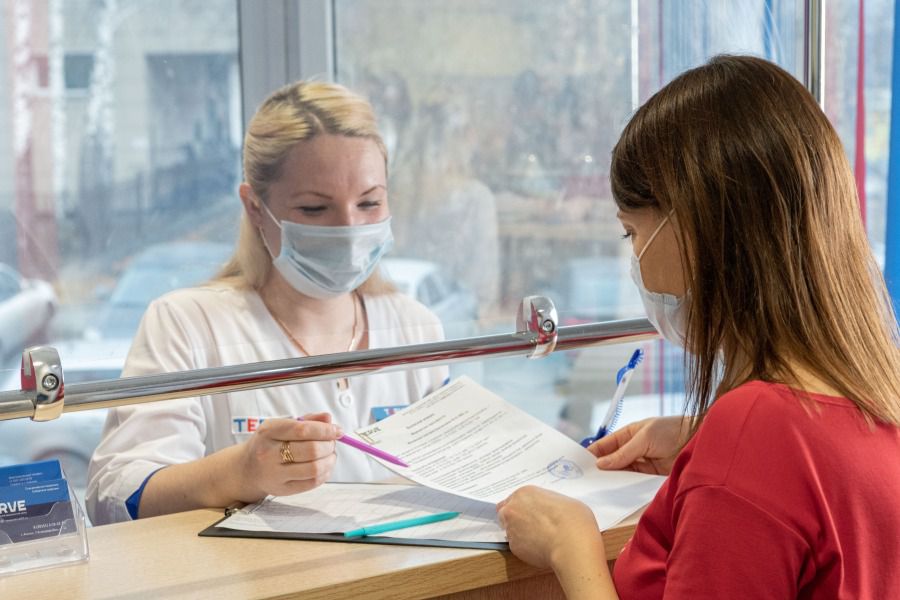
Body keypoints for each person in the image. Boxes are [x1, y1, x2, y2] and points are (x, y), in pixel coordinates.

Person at [497, 55, 900, 599]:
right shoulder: (876, 392)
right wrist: (704, 441)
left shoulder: (758, 427)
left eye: (630, 233)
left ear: (696, 226)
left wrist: (572, 547)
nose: (634, 258)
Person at [86, 81, 448, 525]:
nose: (349, 229)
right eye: (315, 209)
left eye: (369, 202)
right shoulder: (188, 324)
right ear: (255, 207)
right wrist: (242, 472)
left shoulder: (416, 328)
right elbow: (116, 497)